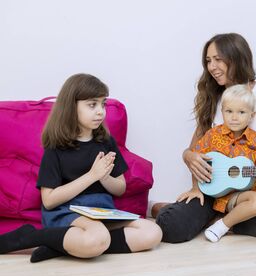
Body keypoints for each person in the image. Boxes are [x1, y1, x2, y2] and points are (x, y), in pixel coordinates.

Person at [155, 33, 256, 243]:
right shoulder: (214, 98)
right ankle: (218, 218)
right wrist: (188, 157)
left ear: (236, 57)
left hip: (254, 188)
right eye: (208, 61)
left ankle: (222, 221)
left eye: (218, 59)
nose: (212, 67)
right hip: (214, 190)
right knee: (171, 226)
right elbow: (192, 150)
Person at [0, 73, 162, 262]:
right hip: (68, 212)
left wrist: (105, 177)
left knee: (152, 233)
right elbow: (49, 200)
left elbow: (120, 188)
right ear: (71, 107)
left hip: (102, 212)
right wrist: (92, 176)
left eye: (103, 104)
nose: (100, 111)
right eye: (92, 105)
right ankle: (33, 236)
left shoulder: (106, 142)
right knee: (98, 236)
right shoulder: (55, 148)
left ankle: (61, 246)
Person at [179, 84, 256, 242]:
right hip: (212, 195)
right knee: (175, 221)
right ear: (222, 112)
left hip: (240, 196)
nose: (234, 117)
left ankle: (221, 225)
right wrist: (195, 188)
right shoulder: (212, 135)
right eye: (229, 111)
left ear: (252, 115)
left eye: (241, 112)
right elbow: (197, 160)